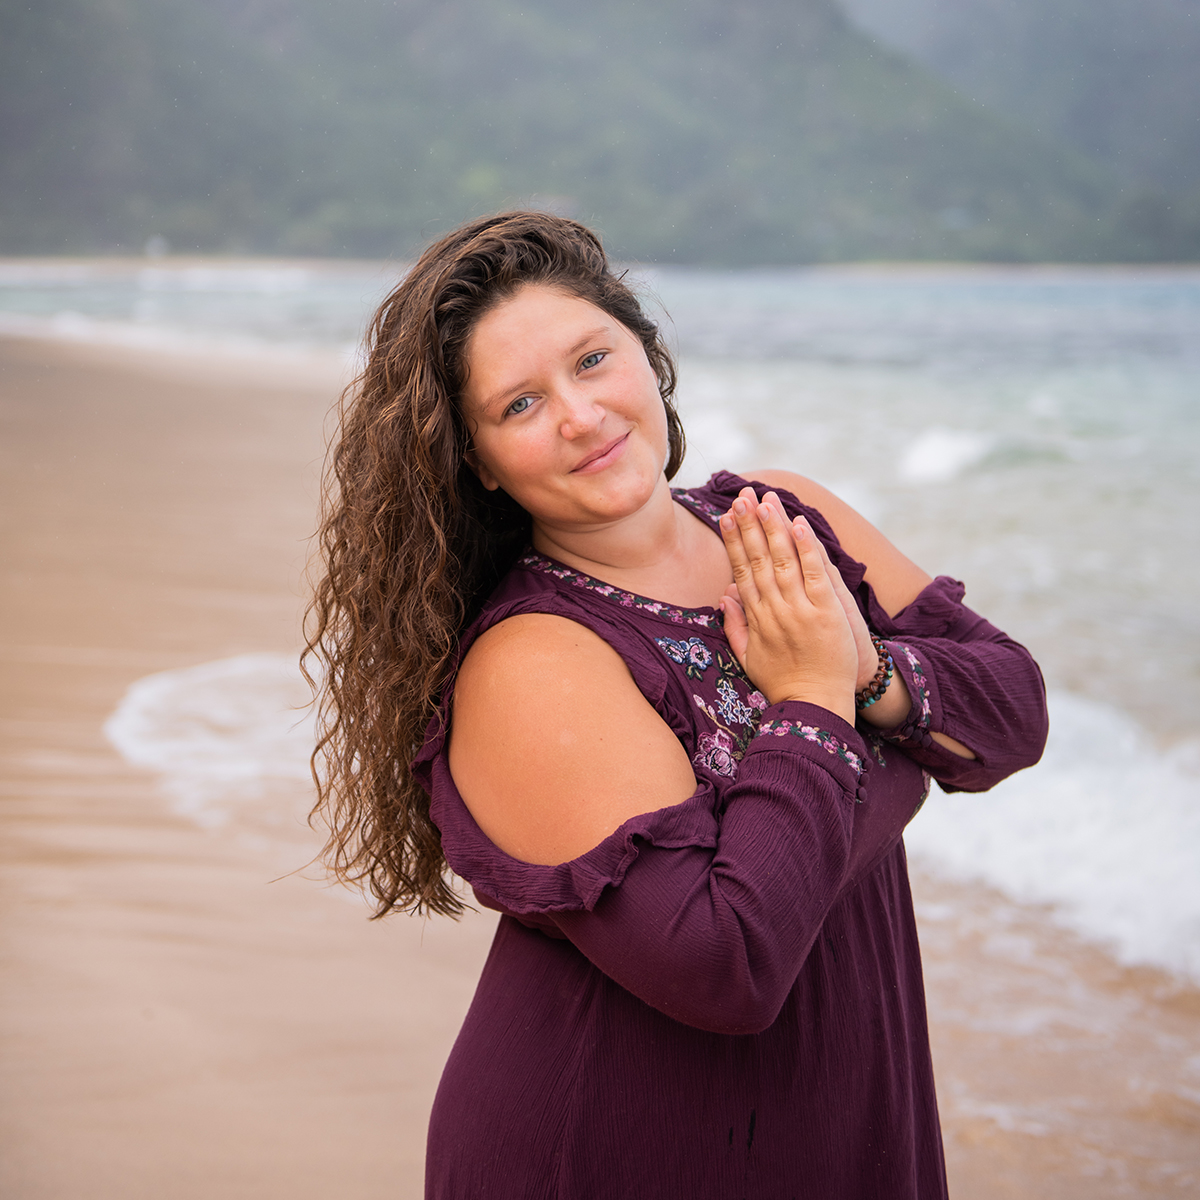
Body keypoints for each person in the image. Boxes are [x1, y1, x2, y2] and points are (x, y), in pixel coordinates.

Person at [304, 211, 1048, 1199]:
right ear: (478, 459)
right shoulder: (532, 662)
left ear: (646, 356)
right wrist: (812, 697)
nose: (580, 415)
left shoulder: (779, 518)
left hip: (841, 1111)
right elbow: (728, 963)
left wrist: (867, 672)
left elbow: (1011, 720)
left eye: (593, 360)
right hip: (613, 1147)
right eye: (521, 404)